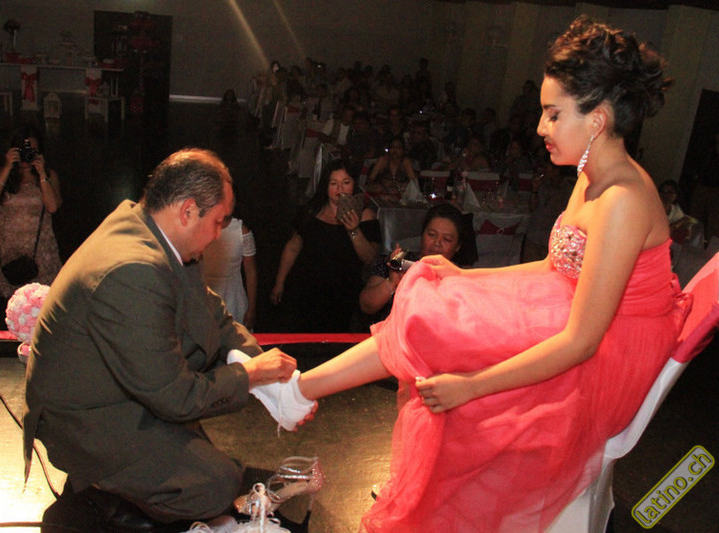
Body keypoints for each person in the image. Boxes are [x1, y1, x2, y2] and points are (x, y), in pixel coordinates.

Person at [275, 16, 689, 532]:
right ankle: (299, 391)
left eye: (553, 115)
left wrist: (472, 387)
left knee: (450, 353)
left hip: (609, 350)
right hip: (576, 312)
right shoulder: (592, 174)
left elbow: (583, 341)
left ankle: (300, 393)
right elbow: (556, 264)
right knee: (434, 298)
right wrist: (462, 275)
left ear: (597, 120)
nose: (540, 128)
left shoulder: (623, 200)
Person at [22, 148, 300, 527]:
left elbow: (213, 315)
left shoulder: (150, 228)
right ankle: (106, 495)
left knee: (203, 361)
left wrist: (260, 365)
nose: (219, 234)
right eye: (218, 222)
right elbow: (176, 398)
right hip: (83, 420)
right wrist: (250, 376)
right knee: (217, 485)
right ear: (188, 211)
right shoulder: (133, 268)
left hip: (114, 388)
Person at [270, 159, 380, 332]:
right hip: (306, 290)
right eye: (333, 183)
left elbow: (370, 258)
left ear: (354, 184)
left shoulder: (365, 216)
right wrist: (279, 282)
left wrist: (353, 230)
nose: (340, 189)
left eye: (346, 183)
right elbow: (293, 246)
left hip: (343, 295)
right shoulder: (311, 211)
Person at [359, 203, 476, 323]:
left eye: (447, 239)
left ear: (458, 246)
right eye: (432, 235)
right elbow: (366, 306)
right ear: (422, 235)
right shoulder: (400, 261)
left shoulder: (461, 277)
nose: (437, 243)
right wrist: (391, 283)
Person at [0, 124, 62, 297]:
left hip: (40, 250)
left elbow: (52, 207)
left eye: (32, 151)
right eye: (23, 150)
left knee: (41, 302)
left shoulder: (49, 176)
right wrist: (7, 167)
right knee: (13, 304)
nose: (27, 156)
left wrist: (42, 174)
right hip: (9, 250)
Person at [202, 212, 258, 330]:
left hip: (233, 298)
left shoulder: (241, 231)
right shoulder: (200, 225)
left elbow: (251, 272)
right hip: (205, 294)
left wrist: (252, 307)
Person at [657, 179, 696, 244]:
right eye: (663, 191)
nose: (665, 194)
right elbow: (662, 231)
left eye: (670, 192)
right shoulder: (654, 207)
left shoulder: (676, 211)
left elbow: (687, 232)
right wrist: (680, 222)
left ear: (676, 196)